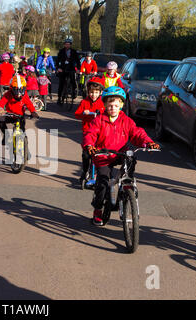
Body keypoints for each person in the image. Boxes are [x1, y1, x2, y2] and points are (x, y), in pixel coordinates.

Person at [83, 86, 159, 226]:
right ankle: (98, 209)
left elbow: (137, 133)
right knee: (103, 183)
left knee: (131, 159)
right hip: (102, 156)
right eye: (110, 105)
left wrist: (148, 143)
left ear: (121, 105)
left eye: (116, 105)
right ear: (105, 105)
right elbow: (90, 134)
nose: (113, 108)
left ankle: (127, 187)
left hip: (120, 154)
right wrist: (89, 146)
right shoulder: (99, 120)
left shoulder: (127, 121)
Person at [74, 77, 105, 188]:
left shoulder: (103, 103)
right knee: (86, 155)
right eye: (91, 92)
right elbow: (77, 114)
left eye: (96, 92)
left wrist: (101, 112)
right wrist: (84, 113)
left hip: (100, 133)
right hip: (88, 133)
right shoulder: (84, 102)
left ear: (101, 92)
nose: (93, 95)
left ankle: (97, 174)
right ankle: (85, 171)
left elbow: (108, 113)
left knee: (99, 155)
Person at [0, 74, 39, 145]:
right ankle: (6, 134)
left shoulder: (25, 95)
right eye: (16, 90)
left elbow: (29, 104)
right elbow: (2, 101)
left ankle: (26, 148)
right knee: (0, 120)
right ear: (12, 88)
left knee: (23, 131)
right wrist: (0, 108)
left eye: (21, 89)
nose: (19, 93)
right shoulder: (8, 94)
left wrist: (33, 112)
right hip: (9, 115)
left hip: (20, 116)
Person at [56, 38, 80, 105]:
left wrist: (78, 69)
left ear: (70, 45)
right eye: (66, 44)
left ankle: (74, 91)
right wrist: (58, 68)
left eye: (68, 44)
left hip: (71, 68)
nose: (67, 45)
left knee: (73, 80)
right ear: (64, 45)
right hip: (63, 68)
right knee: (61, 83)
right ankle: (59, 97)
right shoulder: (61, 51)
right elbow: (57, 61)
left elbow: (78, 61)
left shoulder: (74, 52)